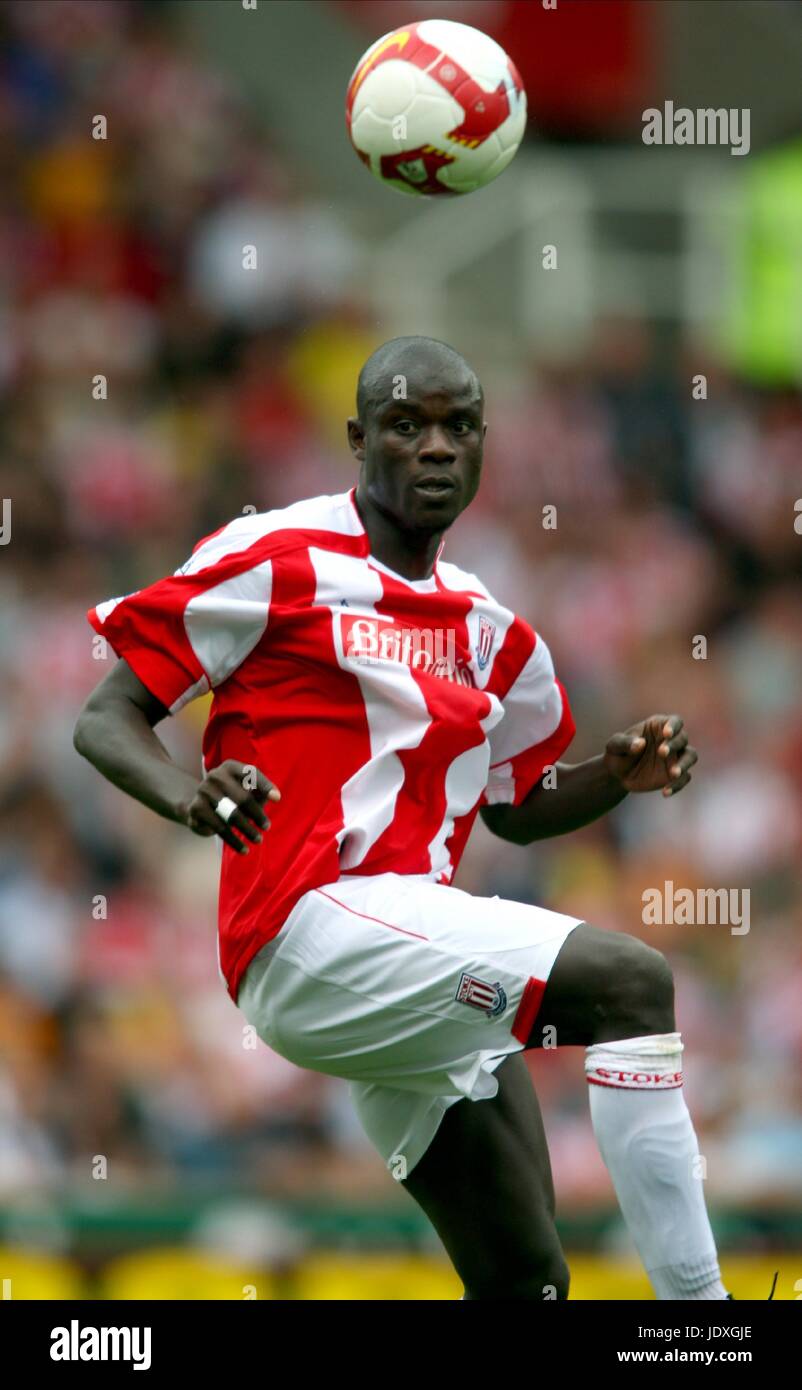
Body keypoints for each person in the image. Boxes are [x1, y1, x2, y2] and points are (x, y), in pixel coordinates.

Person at [74, 335, 729, 1302]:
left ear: (482, 445)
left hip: (400, 966)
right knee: (631, 984)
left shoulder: (493, 631)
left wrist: (613, 777)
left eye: (457, 426)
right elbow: (106, 716)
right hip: (306, 926)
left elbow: (517, 809)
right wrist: (191, 794)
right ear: (357, 439)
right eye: (405, 424)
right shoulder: (275, 558)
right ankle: (700, 1324)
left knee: (527, 1282)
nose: (434, 447)